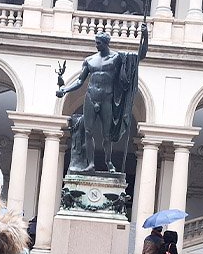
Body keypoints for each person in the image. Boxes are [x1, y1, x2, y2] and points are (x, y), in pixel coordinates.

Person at [56, 24, 148, 173]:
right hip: (91, 97)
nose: (96, 45)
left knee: (107, 134)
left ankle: (108, 162)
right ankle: (90, 164)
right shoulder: (89, 60)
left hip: (107, 98)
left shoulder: (117, 58)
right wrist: (64, 90)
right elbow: (80, 81)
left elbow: (140, 56)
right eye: (96, 42)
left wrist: (145, 36)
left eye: (98, 43)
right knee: (88, 132)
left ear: (106, 43)